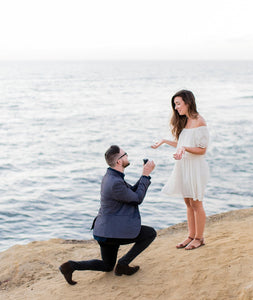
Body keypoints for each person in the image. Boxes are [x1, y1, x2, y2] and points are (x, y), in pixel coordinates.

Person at [59, 145, 156, 285]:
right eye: (125, 155)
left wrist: (144, 175)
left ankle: (70, 266)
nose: (128, 157)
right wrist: (145, 175)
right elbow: (137, 199)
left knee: (107, 265)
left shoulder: (111, 176)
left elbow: (131, 193)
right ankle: (123, 264)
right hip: (111, 233)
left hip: (104, 231)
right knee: (150, 233)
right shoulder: (115, 182)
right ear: (118, 161)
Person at [152, 90, 209, 250]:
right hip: (183, 166)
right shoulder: (185, 121)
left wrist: (184, 148)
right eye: (174, 105)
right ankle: (191, 235)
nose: (176, 108)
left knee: (197, 203)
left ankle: (199, 238)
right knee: (188, 203)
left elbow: (202, 149)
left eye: (178, 104)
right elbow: (182, 143)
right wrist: (164, 141)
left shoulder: (199, 122)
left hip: (195, 167)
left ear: (188, 102)